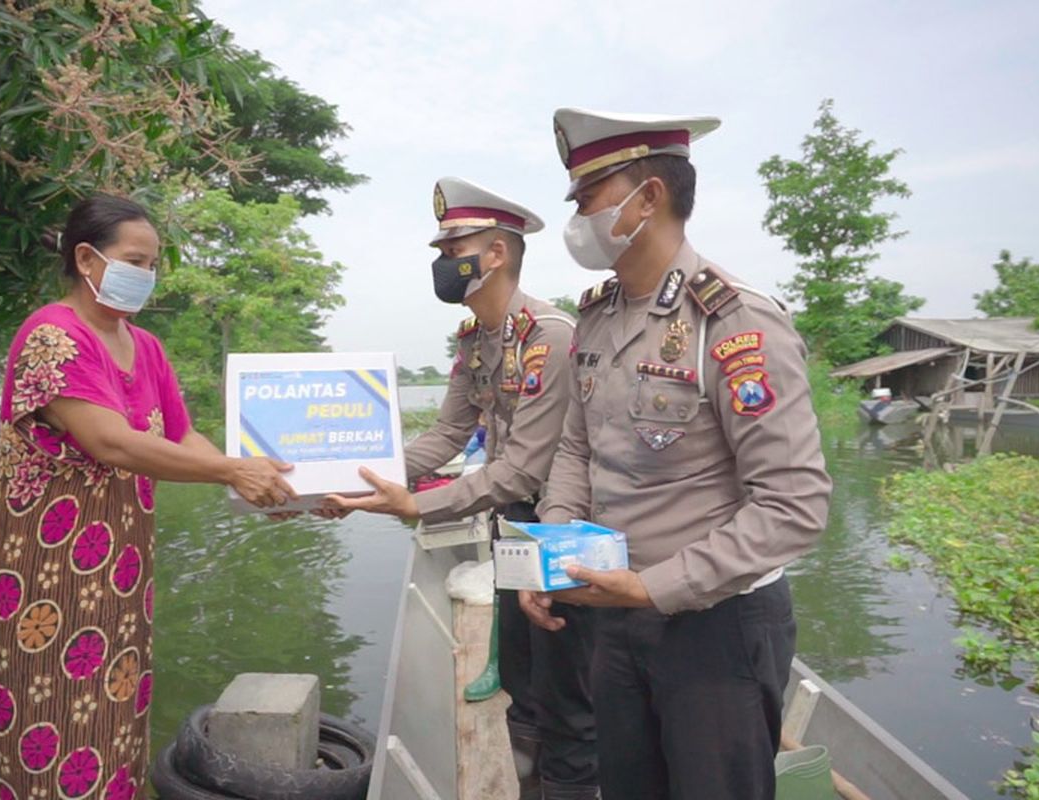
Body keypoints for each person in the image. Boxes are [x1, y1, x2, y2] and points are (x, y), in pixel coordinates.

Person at [519, 109, 833, 800]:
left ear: (649, 198)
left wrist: (653, 588)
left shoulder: (734, 320)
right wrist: (553, 547)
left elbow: (794, 506)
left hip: (716, 628)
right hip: (616, 613)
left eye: (587, 196)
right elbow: (576, 447)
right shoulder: (597, 316)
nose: (576, 214)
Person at [0, 194, 295, 798]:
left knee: (115, 718)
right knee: (50, 724)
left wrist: (272, 481)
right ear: (86, 258)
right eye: (134, 260)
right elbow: (114, 444)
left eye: (153, 265)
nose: (146, 276)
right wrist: (234, 472)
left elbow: (181, 434)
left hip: (121, 573)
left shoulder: (144, 346)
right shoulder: (54, 336)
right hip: (46, 580)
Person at [325, 177, 598, 800]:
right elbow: (449, 432)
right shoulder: (476, 340)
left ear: (496, 254)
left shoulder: (548, 335)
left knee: (567, 682)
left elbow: (525, 467)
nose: (442, 264)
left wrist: (415, 503)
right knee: (524, 667)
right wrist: (358, 477)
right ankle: (527, 763)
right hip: (507, 518)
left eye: (453, 250)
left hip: (562, 522)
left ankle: (571, 783)